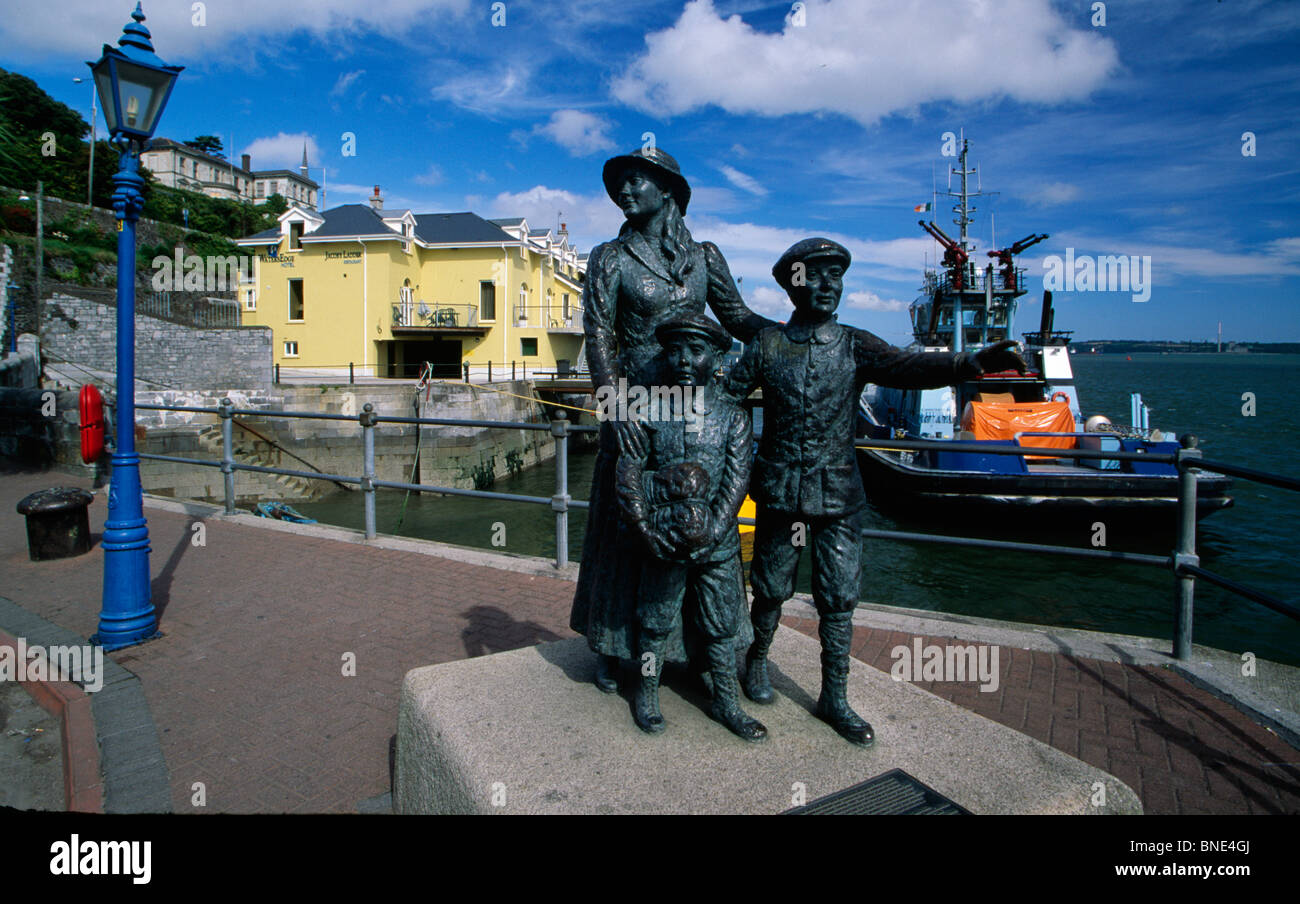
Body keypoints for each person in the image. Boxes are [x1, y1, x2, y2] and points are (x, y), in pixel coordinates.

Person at [726, 238, 1026, 745]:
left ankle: (834, 697)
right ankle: (757, 661)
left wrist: (966, 363)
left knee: (839, 598)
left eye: (835, 276)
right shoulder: (767, 347)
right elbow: (728, 397)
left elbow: (906, 366)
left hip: (838, 494)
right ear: (793, 283)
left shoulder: (853, 343)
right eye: (814, 275)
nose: (827, 286)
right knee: (772, 587)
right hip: (779, 491)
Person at [570, 147, 772, 693]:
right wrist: (615, 408)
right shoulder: (610, 256)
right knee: (625, 529)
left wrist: (788, 336)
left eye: (637, 180)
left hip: (694, 406)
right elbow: (600, 337)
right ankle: (613, 647)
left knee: (695, 519)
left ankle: (705, 648)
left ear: (668, 190)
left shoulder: (705, 256)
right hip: (636, 404)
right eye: (620, 184)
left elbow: (738, 318)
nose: (625, 190)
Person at [615, 312, 765, 741]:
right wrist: (645, 527)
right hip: (661, 539)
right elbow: (628, 472)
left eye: (696, 350)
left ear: (716, 357)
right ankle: (646, 692)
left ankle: (727, 702)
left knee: (719, 625)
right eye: (675, 349)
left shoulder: (732, 416)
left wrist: (714, 529)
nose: (684, 359)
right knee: (655, 622)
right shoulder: (647, 410)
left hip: (715, 544)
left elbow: (737, 479)